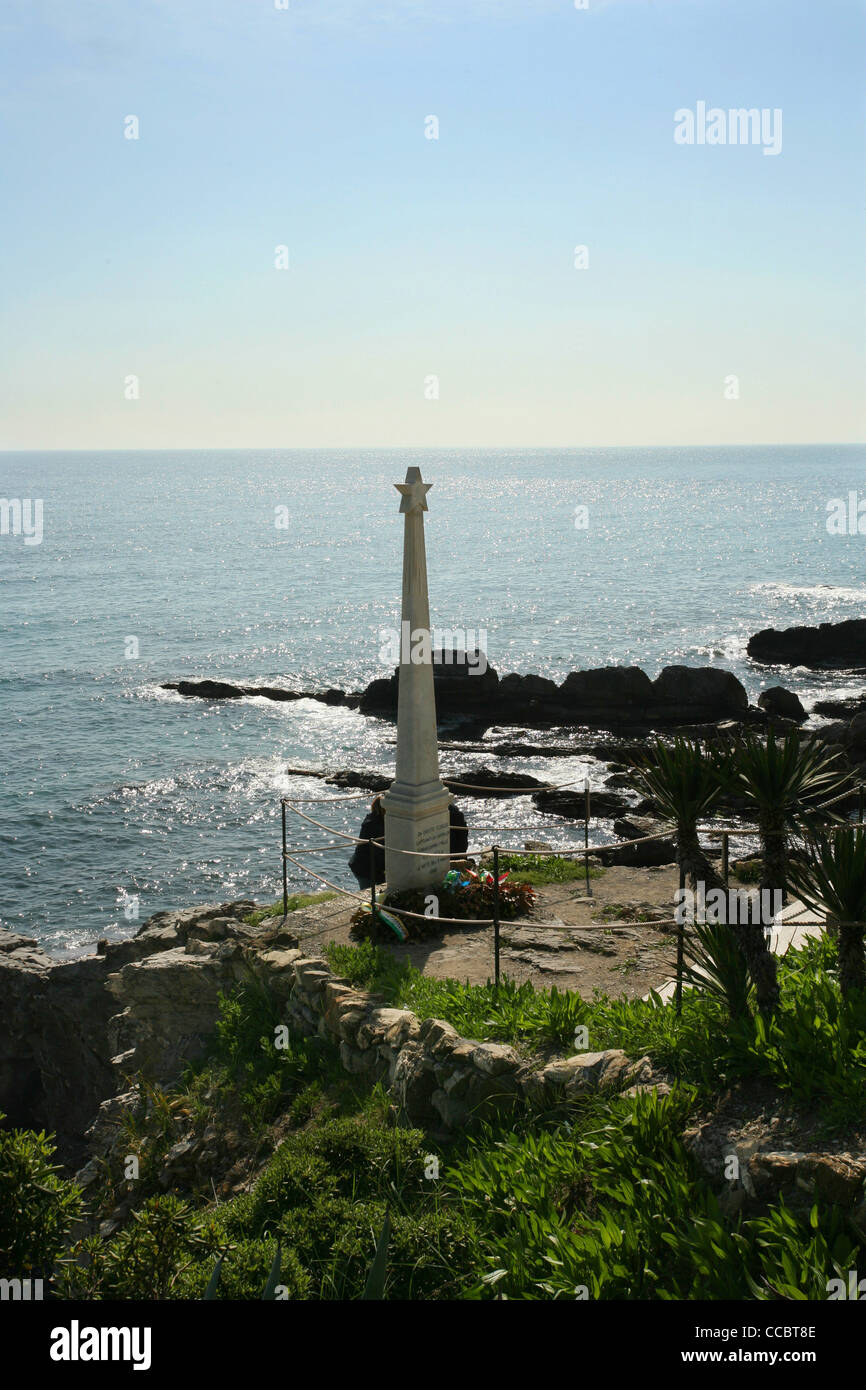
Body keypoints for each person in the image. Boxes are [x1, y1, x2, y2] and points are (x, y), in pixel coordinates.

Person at [348, 795, 469, 888]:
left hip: (363, 866)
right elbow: (381, 852)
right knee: (370, 893)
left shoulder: (374, 820)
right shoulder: (377, 825)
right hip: (367, 868)